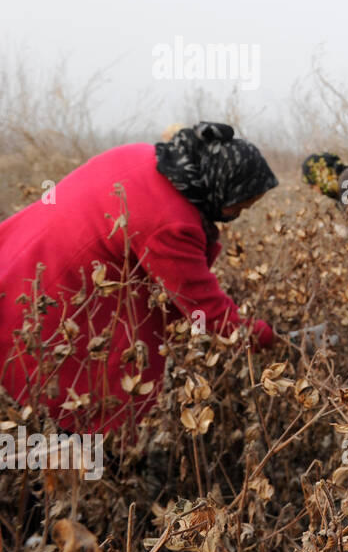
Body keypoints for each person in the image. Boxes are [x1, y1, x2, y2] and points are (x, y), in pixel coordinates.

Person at [0, 121, 279, 435]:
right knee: (73, 412)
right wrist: (266, 337)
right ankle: (75, 466)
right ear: (217, 187)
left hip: (15, 263)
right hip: (48, 306)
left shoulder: (142, 154)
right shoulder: (172, 224)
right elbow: (205, 312)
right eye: (239, 206)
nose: (238, 214)